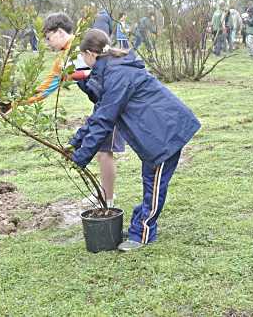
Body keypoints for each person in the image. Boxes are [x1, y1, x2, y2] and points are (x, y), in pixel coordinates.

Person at [69, 29, 201, 252]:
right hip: (156, 132)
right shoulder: (112, 71)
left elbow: (104, 120)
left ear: (90, 54)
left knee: (154, 184)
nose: (82, 61)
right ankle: (138, 227)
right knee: (150, 179)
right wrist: (76, 142)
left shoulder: (116, 75)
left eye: (83, 57)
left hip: (165, 133)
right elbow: (99, 112)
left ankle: (142, 233)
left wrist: (81, 156)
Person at [30, 14, 124, 208]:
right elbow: (48, 85)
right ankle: (105, 195)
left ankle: (107, 199)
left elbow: (102, 68)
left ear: (60, 32)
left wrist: (72, 75)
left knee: (105, 151)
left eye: (49, 38)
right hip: (102, 103)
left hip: (113, 101)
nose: (48, 44)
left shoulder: (82, 48)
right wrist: (19, 101)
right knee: (102, 151)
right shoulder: (64, 58)